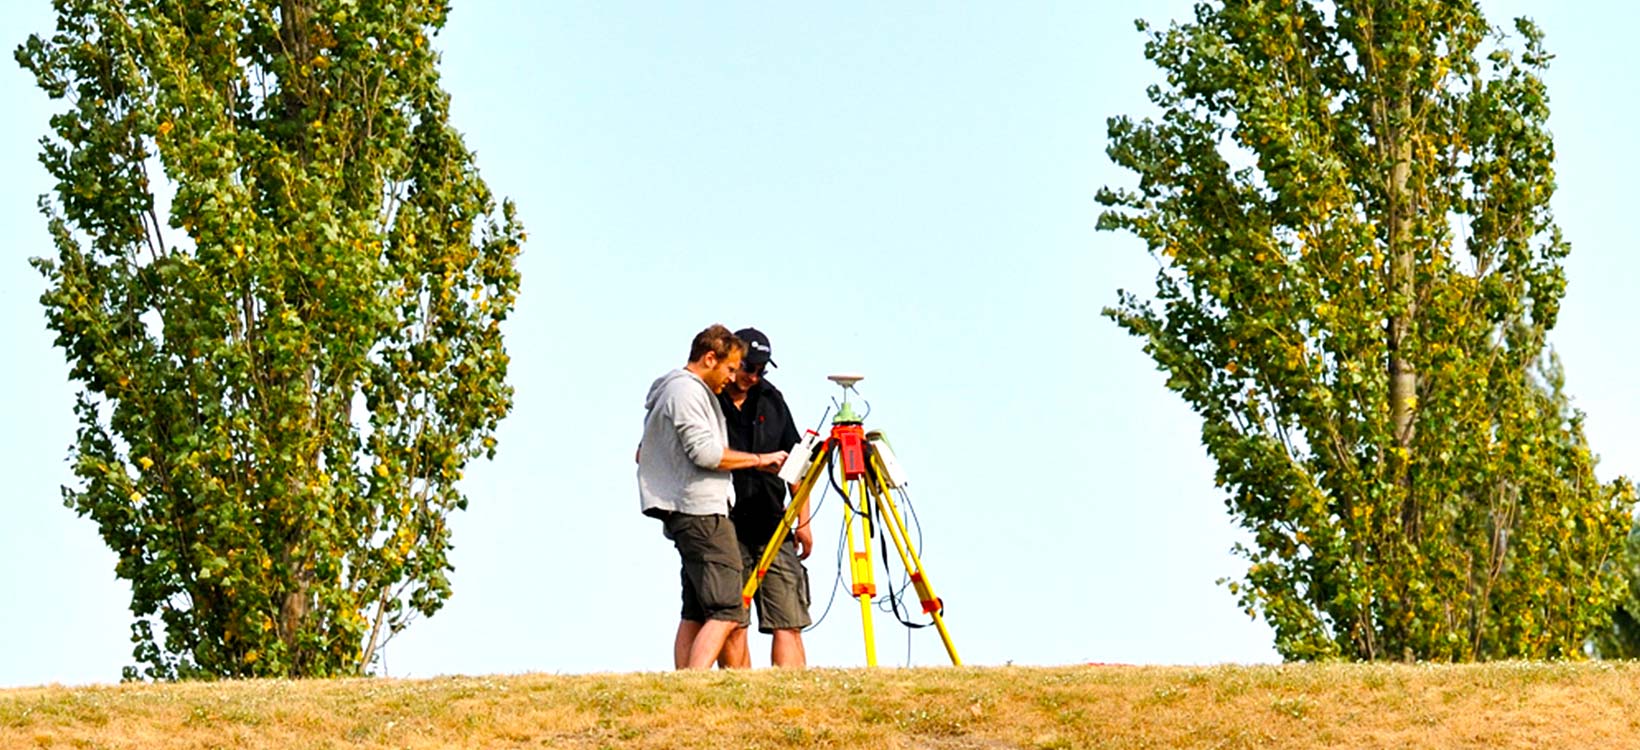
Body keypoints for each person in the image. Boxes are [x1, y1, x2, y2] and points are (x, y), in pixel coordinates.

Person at [638, 324, 786, 670]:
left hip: (687, 510)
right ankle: (696, 682)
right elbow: (705, 453)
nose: (733, 378)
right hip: (701, 511)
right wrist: (758, 460)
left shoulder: (675, 391)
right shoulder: (686, 392)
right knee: (728, 610)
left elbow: (643, 452)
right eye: (731, 368)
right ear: (709, 359)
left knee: (696, 610)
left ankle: (686, 684)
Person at [717, 328, 813, 668]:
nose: (754, 377)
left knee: (789, 620)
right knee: (730, 621)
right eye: (748, 368)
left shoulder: (772, 399)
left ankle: (792, 693)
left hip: (774, 523)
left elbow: (798, 464)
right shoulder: (710, 398)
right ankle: (740, 692)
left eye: (761, 370)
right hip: (725, 525)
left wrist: (804, 522)